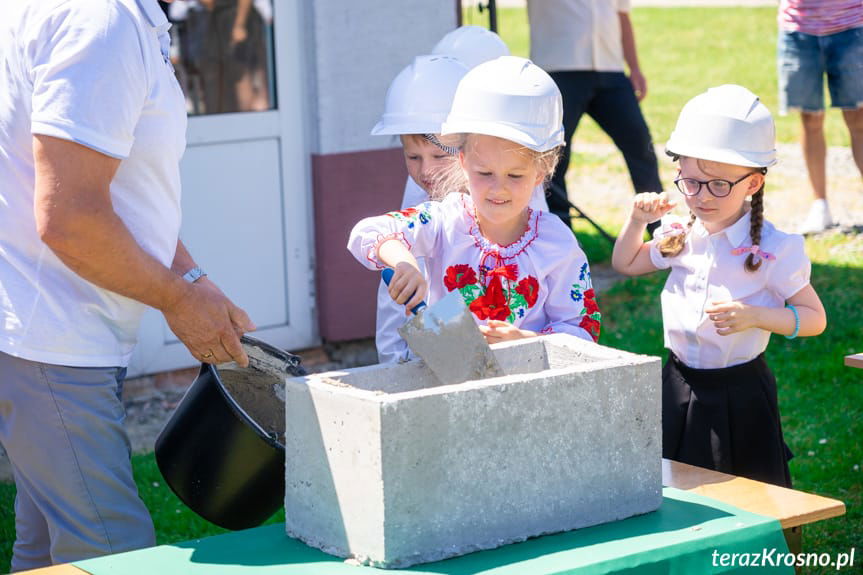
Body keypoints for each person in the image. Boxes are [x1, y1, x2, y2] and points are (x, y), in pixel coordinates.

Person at [0, 0, 254, 570]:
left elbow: (125, 185)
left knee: (46, 552)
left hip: (50, 332)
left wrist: (190, 278)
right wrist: (176, 299)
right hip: (51, 338)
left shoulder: (120, 16)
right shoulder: (101, 22)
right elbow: (71, 217)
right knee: (114, 554)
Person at [611, 85, 827, 487]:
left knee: (743, 488)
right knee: (670, 483)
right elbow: (625, 263)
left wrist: (756, 317)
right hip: (677, 382)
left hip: (740, 392)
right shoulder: (681, 233)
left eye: (718, 185)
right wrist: (638, 221)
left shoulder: (775, 250)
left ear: (752, 184)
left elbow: (815, 319)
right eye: (690, 183)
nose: (702, 197)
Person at [350, 56, 601, 349]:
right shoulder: (444, 221)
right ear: (463, 160)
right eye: (484, 173)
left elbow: (582, 330)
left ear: (541, 172)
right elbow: (367, 232)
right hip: (447, 381)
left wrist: (528, 341)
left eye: (515, 175)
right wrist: (404, 262)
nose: (499, 188)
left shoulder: (555, 242)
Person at [527, 0, 662, 226]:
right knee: (554, 156)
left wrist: (635, 67)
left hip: (611, 70)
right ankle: (559, 235)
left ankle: (660, 231)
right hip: (560, 69)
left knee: (640, 144)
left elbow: (622, 15)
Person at [777, 0, 863, 234]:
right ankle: (820, 205)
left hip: (853, 23)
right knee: (810, 120)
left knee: (859, 120)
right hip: (798, 28)